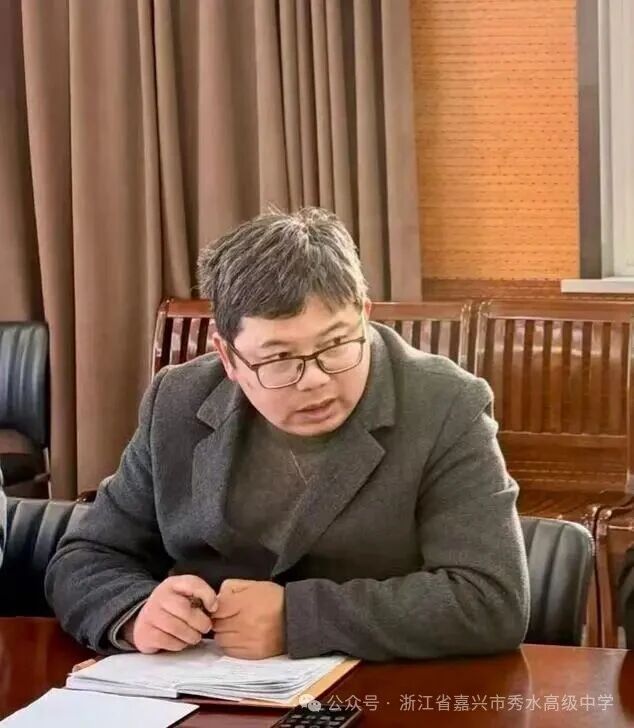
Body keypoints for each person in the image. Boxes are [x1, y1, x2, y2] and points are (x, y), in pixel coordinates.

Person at [46, 207, 529, 661]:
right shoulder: (178, 400)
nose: (315, 379)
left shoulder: (445, 403)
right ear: (228, 356)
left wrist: (297, 618)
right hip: (202, 685)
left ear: (365, 314)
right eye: (279, 358)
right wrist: (136, 612)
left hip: (373, 689)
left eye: (336, 344)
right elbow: (86, 556)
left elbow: (491, 597)